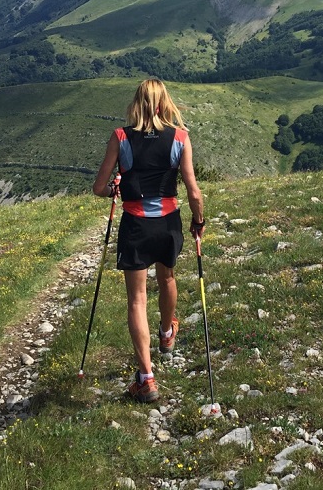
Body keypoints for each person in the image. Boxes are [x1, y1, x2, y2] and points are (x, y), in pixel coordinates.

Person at [92, 78, 205, 403]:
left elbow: (100, 188)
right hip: (168, 224)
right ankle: (167, 334)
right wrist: (198, 222)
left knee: (137, 300)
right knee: (167, 276)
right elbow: (193, 191)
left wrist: (116, 186)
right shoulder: (180, 137)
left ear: (137, 103)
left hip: (136, 225)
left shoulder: (120, 137)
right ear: (163, 103)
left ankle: (146, 377)